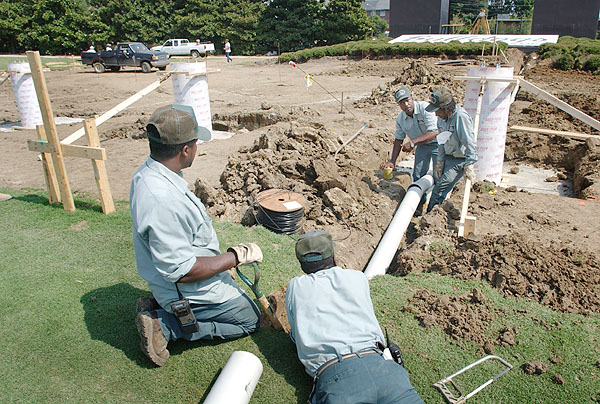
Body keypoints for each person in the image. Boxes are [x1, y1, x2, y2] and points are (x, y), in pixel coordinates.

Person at [130, 104, 261, 366]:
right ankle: (167, 325)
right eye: (195, 142)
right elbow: (183, 271)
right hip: (189, 290)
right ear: (185, 150)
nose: (197, 148)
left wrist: (220, 263)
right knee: (251, 319)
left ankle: (158, 306)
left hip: (173, 281)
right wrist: (233, 257)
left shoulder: (151, 174)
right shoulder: (163, 200)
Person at [286, 230, 424, 404]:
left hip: (338, 379)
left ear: (302, 264)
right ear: (333, 256)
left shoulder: (296, 286)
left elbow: (295, 336)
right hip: (384, 369)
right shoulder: (358, 277)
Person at [382, 86, 439, 214]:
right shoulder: (401, 119)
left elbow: (434, 131)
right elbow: (398, 139)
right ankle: (419, 204)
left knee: (438, 175)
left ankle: (434, 209)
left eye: (407, 100)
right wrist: (392, 161)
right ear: (399, 105)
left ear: (412, 98)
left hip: (438, 145)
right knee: (418, 175)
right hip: (422, 146)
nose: (406, 104)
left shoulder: (426, 108)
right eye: (402, 102)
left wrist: (413, 143)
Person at [425, 87, 477, 212]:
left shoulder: (460, 117)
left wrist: (470, 164)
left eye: (437, 111)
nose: (435, 114)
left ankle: (430, 215)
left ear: (446, 108)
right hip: (447, 157)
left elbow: (469, 141)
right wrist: (440, 162)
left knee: (440, 187)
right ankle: (438, 209)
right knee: (438, 182)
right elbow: (441, 142)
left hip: (459, 160)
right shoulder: (441, 119)